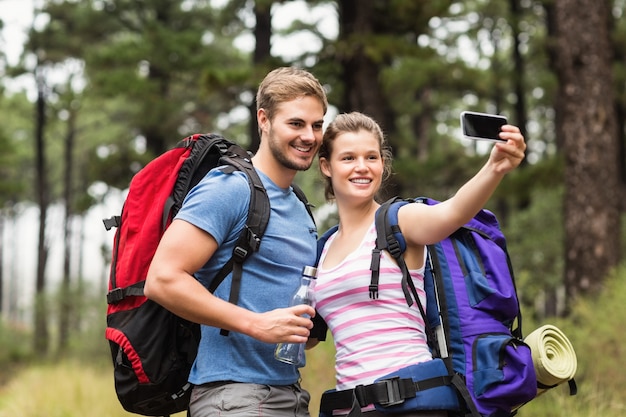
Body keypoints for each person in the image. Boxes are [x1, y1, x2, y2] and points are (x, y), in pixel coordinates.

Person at [311, 111, 526, 417]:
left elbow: (450, 214)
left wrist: (494, 168)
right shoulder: (323, 247)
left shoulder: (399, 220)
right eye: (348, 158)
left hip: (413, 403)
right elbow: (306, 337)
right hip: (352, 408)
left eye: (371, 157)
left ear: (382, 164)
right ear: (326, 166)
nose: (361, 167)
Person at [144, 66, 328, 417]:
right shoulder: (229, 188)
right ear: (264, 119)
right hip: (233, 398)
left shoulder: (301, 208)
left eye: (317, 125)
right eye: (296, 123)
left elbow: (302, 330)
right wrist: (256, 324)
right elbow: (162, 279)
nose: (309, 136)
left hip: (290, 395)